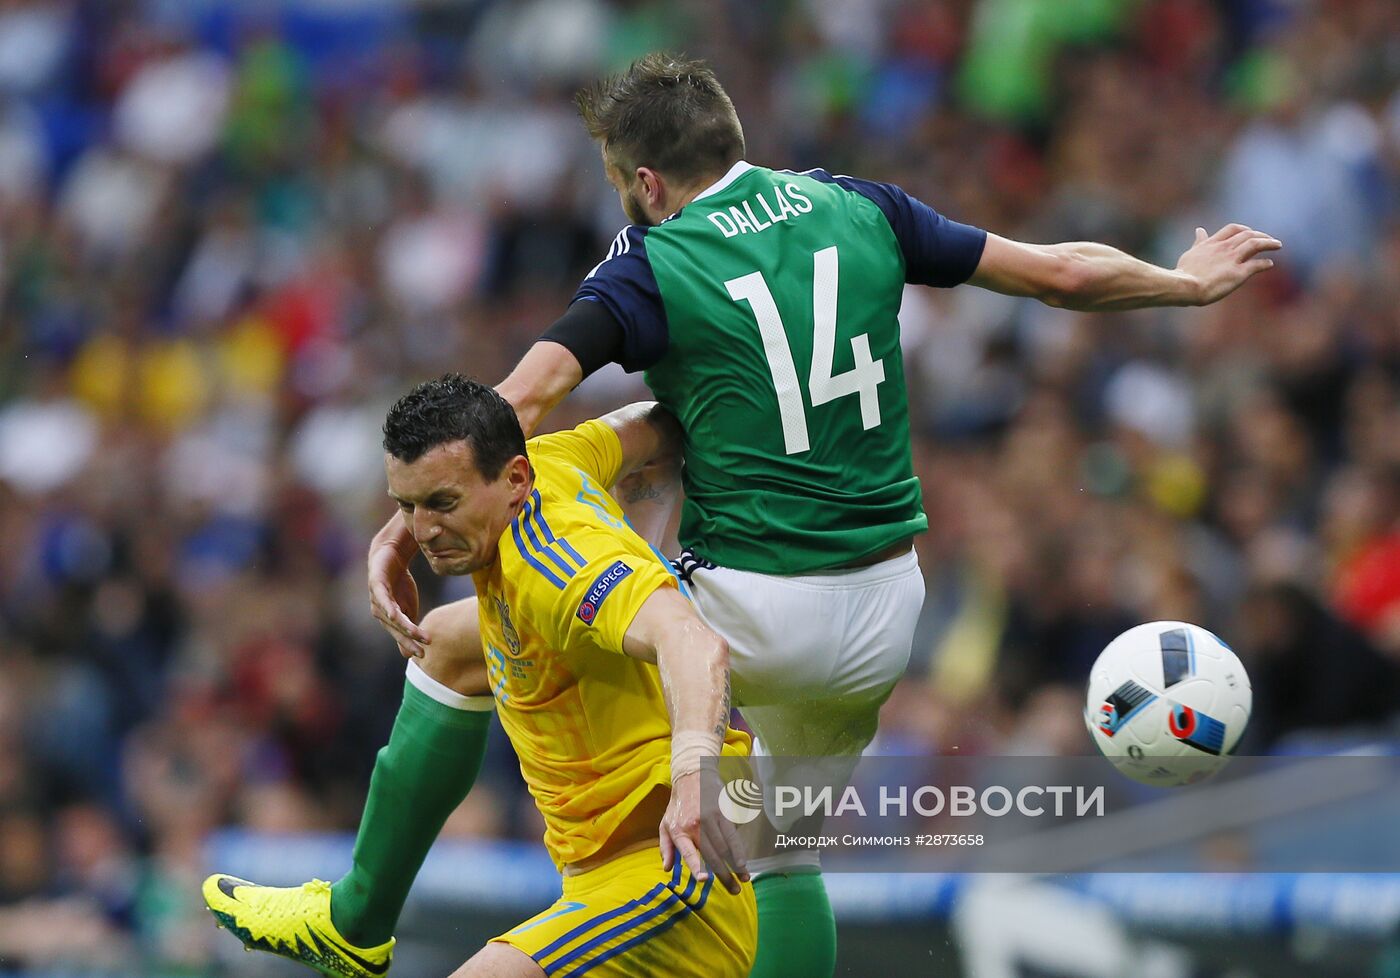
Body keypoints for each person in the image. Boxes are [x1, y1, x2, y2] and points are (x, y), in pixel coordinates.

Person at [352, 53, 1281, 978]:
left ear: (644, 181)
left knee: (464, 639)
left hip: (752, 608)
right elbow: (1062, 277)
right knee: (781, 849)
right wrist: (1183, 281)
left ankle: (383, 916)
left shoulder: (654, 262)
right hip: (883, 612)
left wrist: (412, 513)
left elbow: (524, 394)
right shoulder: (863, 206)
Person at [204, 376, 755, 978]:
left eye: (442, 504)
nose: (422, 531)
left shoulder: (558, 567)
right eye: (405, 506)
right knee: (445, 642)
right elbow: (657, 421)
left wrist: (694, 772)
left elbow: (693, 642)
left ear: (514, 480)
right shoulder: (559, 457)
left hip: (672, 877)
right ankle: (355, 919)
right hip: (605, 883)